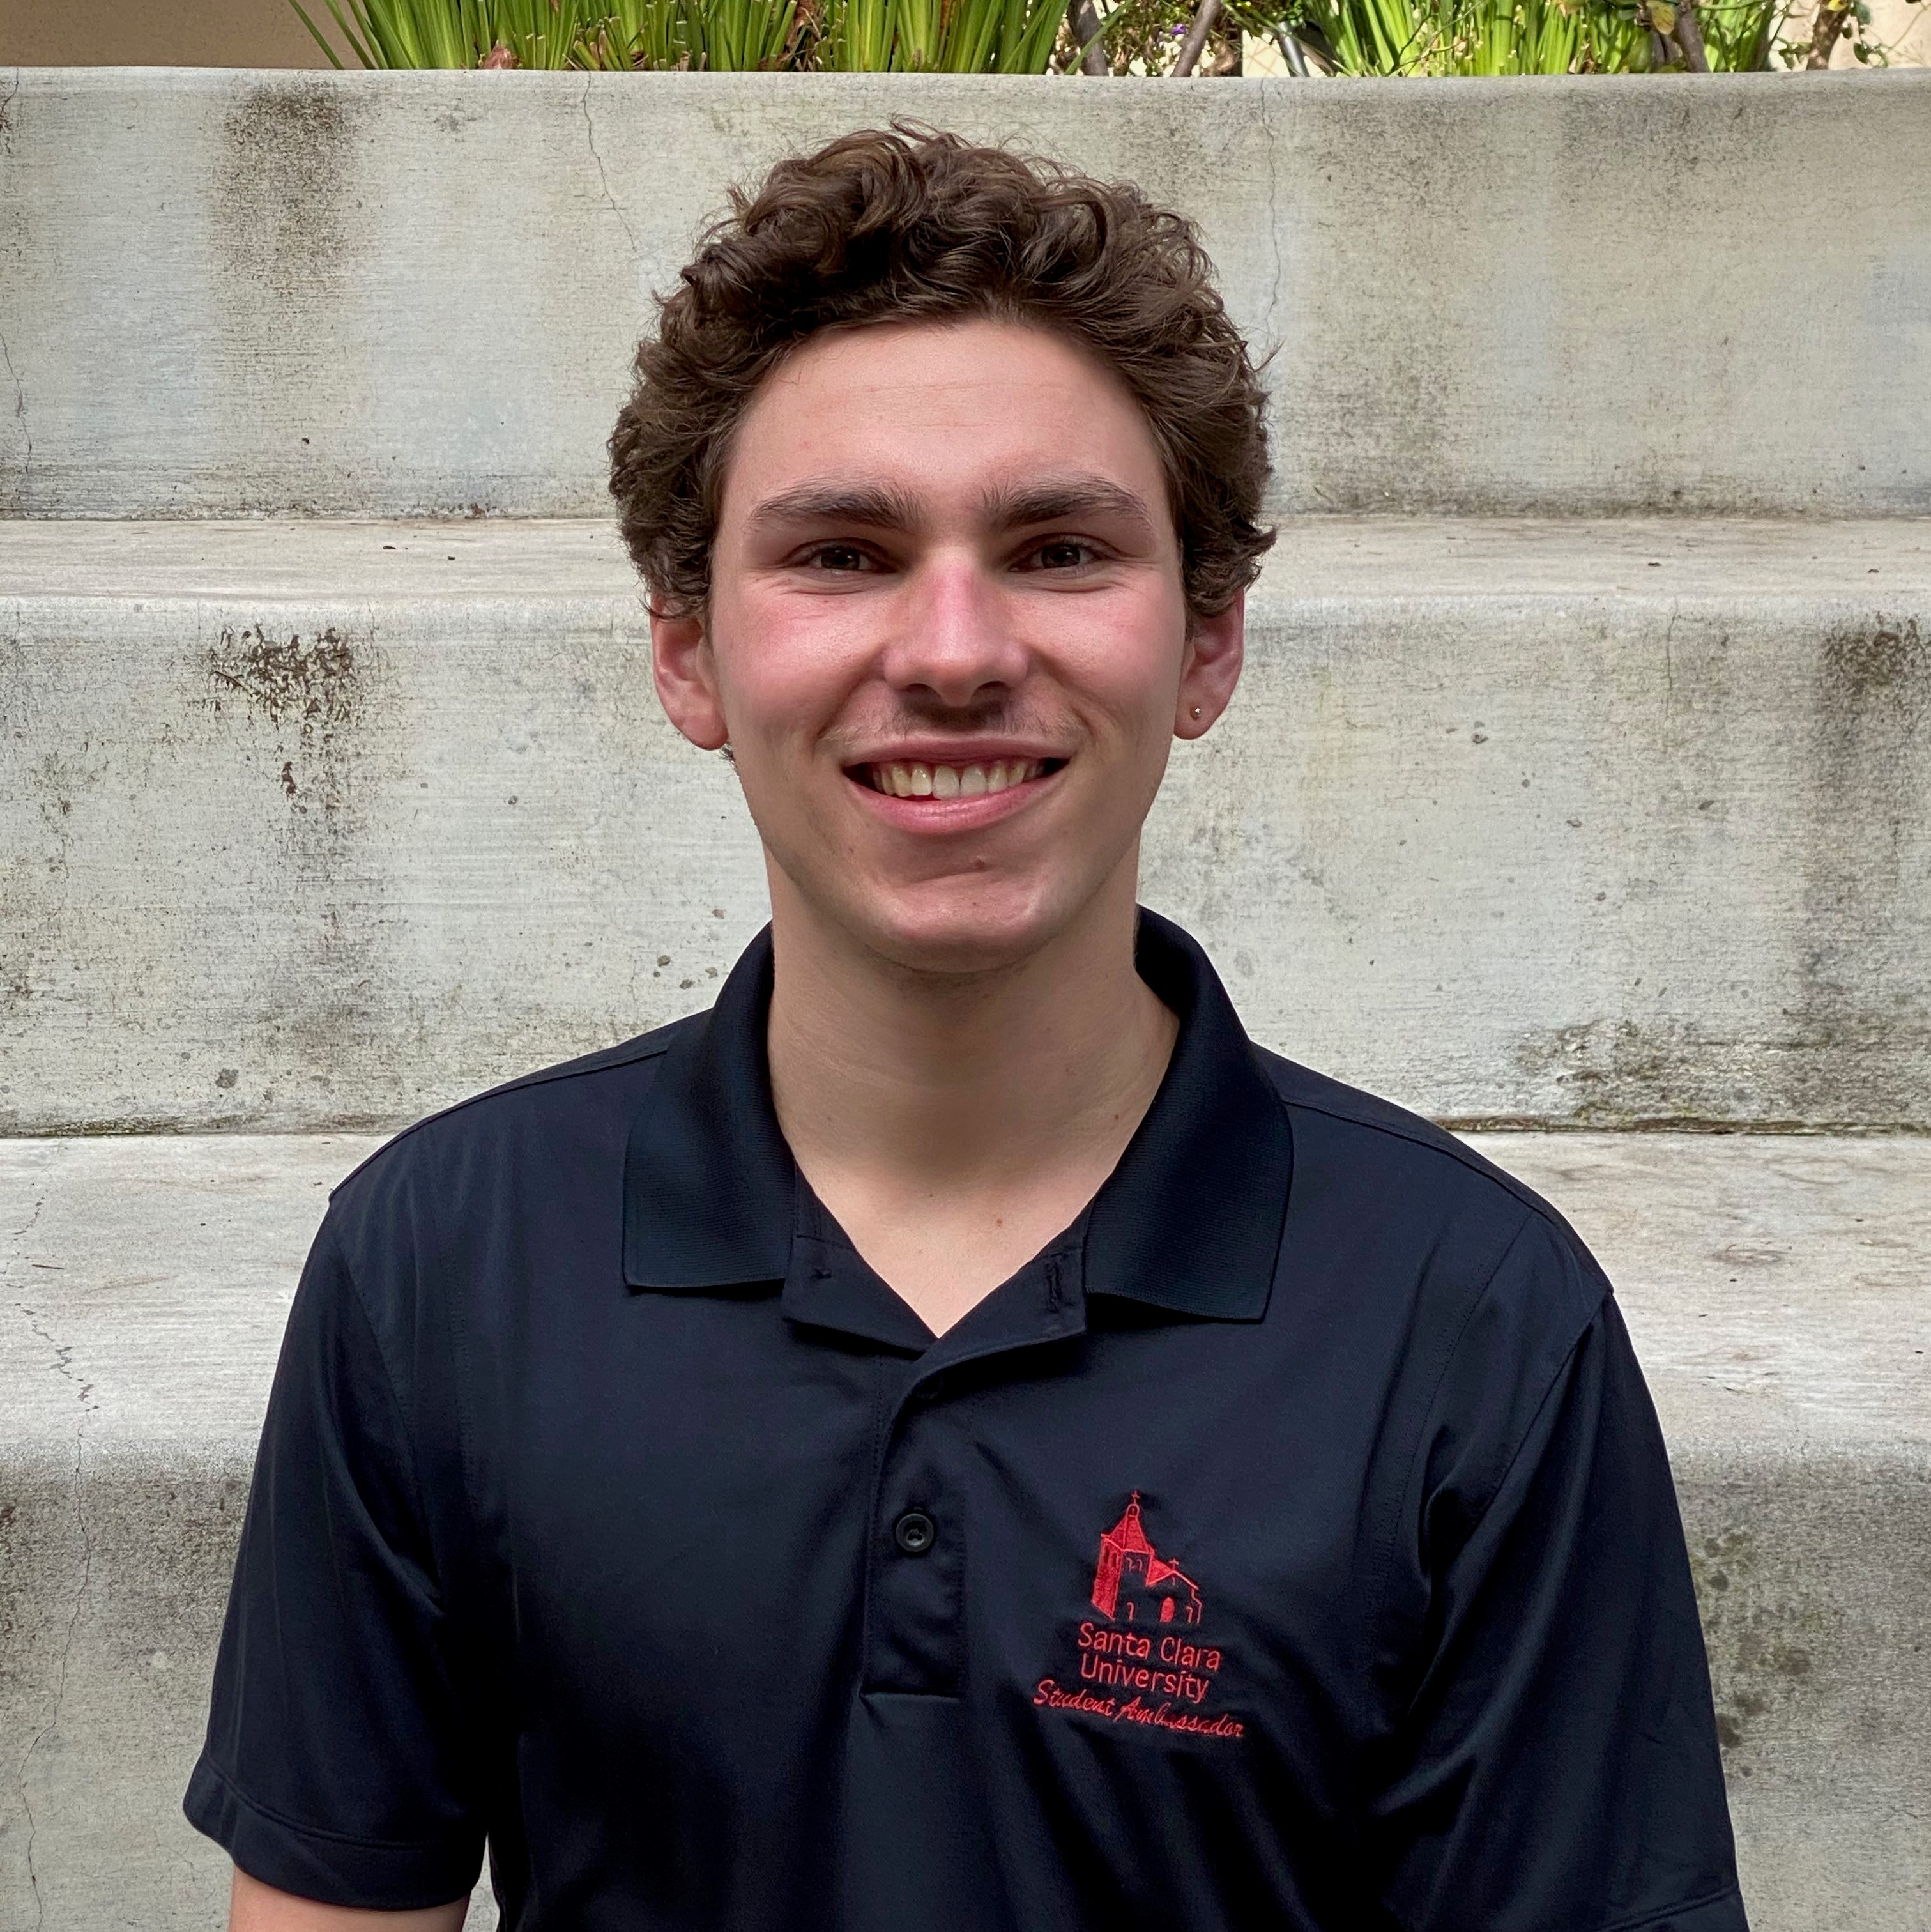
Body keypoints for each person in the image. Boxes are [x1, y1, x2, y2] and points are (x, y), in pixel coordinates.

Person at [187, 127, 1748, 1932]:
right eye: (843, 551)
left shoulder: (1473, 1324)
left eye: (1059, 547)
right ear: (688, 652)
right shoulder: (442, 1262)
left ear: (1210, 642)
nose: (950, 648)